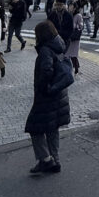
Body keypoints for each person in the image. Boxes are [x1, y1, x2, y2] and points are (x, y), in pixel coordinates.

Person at [24, 20, 71, 175]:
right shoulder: (59, 44)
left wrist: (43, 88)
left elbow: (46, 71)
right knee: (52, 128)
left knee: (34, 127)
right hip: (59, 93)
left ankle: (45, 159)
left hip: (47, 95)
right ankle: (55, 161)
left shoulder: (45, 50)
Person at [65, 2, 83, 75]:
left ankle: (76, 69)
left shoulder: (78, 15)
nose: (70, 8)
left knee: (73, 55)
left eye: (71, 6)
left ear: (75, 8)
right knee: (67, 54)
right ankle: (71, 69)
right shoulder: (68, 14)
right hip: (68, 37)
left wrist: (75, 26)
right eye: (69, 6)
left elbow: (81, 26)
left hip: (74, 38)